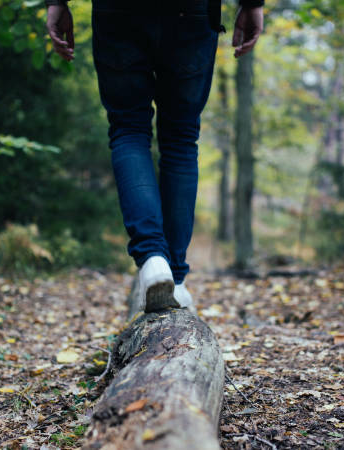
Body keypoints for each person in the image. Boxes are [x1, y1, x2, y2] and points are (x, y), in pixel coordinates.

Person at [46, 0, 263, 313]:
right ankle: (174, 276)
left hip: (118, 12)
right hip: (192, 11)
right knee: (181, 139)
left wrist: (56, 3)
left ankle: (153, 260)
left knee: (129, 129)